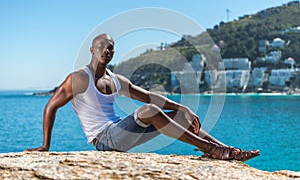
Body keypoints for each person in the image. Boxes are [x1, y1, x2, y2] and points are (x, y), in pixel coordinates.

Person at [25, 34, 259, 161]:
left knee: (178, 115)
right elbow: (51, 107)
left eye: (111, 47)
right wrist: (46, 146)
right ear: (92, 50)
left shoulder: (116, 79)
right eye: (102, 47)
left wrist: (183, 108)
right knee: (149, 111)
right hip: (104, 141)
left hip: (120, 132)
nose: (107, 50)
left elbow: (148, 95)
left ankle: (225, 149)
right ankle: (212, 149)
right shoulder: (78, 79)